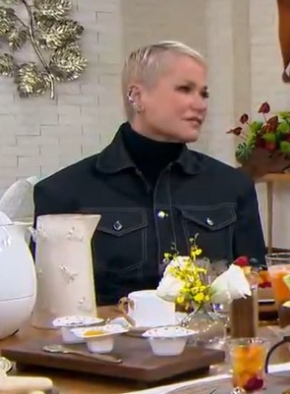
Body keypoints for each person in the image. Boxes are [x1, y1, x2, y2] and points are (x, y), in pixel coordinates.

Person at [33, 41, 267, 306]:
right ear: (137, 96)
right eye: (185, 89)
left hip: (212, 332)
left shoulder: (233, 187)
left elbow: (256, 287)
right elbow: (51, 308)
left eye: (204, 94)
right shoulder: (62, 193)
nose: (200, 104)